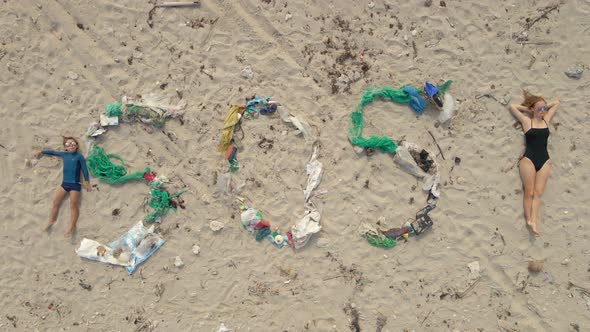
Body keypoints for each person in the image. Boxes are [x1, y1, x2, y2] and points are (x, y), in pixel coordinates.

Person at [508, 92, 560, 236]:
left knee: (538, 193)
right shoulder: (526, 122)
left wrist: (542, 106)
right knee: (529, 192)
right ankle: (528, 218)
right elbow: (512, 107)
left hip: (545, 160)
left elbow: (556, 103)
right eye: (539, 108)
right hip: (528, 160)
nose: (543, 110)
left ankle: (533, 221)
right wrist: (529, 108)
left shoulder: (546, 120)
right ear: (532, 110)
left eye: (544, 108)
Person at [34, 137, 91, 237]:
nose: (71, 146)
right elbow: (53, 152)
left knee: (73, 205)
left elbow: (84, 169)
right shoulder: (64, 154)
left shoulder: (79, 156)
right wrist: (41, 151)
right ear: (65, 148)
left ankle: (71, 226)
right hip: (64, 184)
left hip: (75, 185)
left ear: (77, 146)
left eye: (73, 144)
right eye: (68, 145)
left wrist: (86, 181)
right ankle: (52, 220)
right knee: (56, 202)